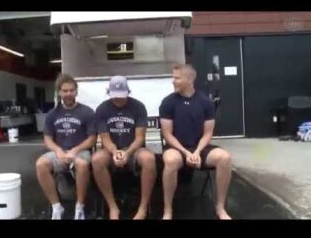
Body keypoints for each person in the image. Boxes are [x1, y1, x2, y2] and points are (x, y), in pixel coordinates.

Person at [159, 64, 232, 220]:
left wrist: (197, 152)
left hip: (200, 148)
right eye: (173, 77)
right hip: (176, 147)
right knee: (171, 160)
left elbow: (208, 133)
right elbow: (167, 134)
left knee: (224, 158)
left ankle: (220, 208)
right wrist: (186, 153)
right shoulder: (168, 102)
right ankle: (167, 210)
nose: (173, 81)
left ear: (189, 79)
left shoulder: (205, 102)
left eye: (177, 78)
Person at [92, 75, 156, 220]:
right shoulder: (102, 109)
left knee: (148, 158)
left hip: (134, 148)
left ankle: (143, 207)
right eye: (114, 96)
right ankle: (112, 206)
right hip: (111, 149)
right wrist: (115, 151)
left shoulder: (138, 107)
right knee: (97, 160)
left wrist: (128, 152)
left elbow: (140, 137)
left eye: (121, 96)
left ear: (128, 92)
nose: (118, 99)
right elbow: (105, 138)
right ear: (109, 93)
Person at [36, 74, 97, 220]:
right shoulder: (52, 114)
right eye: (65, 91)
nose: (68, 94)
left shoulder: (87, 112)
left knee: (82, 165)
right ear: (59, 92)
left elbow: (92, 139)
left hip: (81, 152)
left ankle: (79, 207)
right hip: (60, 152)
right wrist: (58, 150)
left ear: (76, 91)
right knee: (41, 164)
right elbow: (47, 139)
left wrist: (75, 151)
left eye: (71, 90)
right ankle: (57, 207)